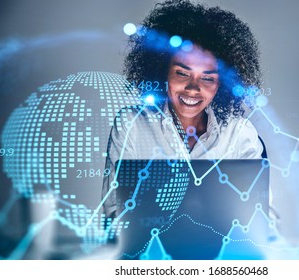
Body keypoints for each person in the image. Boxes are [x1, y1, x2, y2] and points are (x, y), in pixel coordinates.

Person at [102, 0, 266, 230]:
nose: (192, 88)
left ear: (221, 85)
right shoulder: (132, 126)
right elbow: (113, 212)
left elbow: (260, 217)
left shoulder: (239, 134)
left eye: (207, 78)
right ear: (163, 72)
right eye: (182, 73)